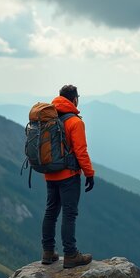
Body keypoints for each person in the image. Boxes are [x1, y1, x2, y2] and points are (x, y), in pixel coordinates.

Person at [41, 84, 95, 268]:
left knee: (51, 212)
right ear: (74, 99)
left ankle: (48, 252)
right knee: (69, 215)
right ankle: (71, 255)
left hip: (50, 173)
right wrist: (89, 174)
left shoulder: (49, 117)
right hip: (69, 176)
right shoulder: (75, 122)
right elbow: (81, 151)